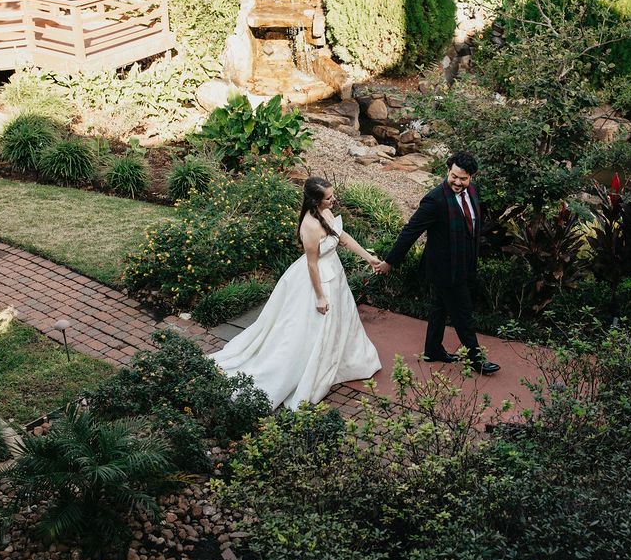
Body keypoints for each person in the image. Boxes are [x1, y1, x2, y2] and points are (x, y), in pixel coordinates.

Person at [209, 177, 382, 409]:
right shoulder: (309, 225)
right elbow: (312, 264)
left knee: (341, 322)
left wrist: (369, 258)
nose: (333, 200)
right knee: (307, 329)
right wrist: (320, 296)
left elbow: (342, 237)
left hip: (334, 275)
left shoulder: (326, 213)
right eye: (329, 197)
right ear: (315, 200)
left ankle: (344, 362)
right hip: (317, 280)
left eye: (332, 195)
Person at [373, 152, 500, 374]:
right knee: (463, 313)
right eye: (454, 176)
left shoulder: (473, 192)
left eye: (464, 179)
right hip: (444, 268)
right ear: (447, 171)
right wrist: (389, 262)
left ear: (471, 177)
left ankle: (432, 350)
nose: (458, 183)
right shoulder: (435, 200)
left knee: (440, 308)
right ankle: (477, 360)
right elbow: (410, 231)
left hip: (464, 263)